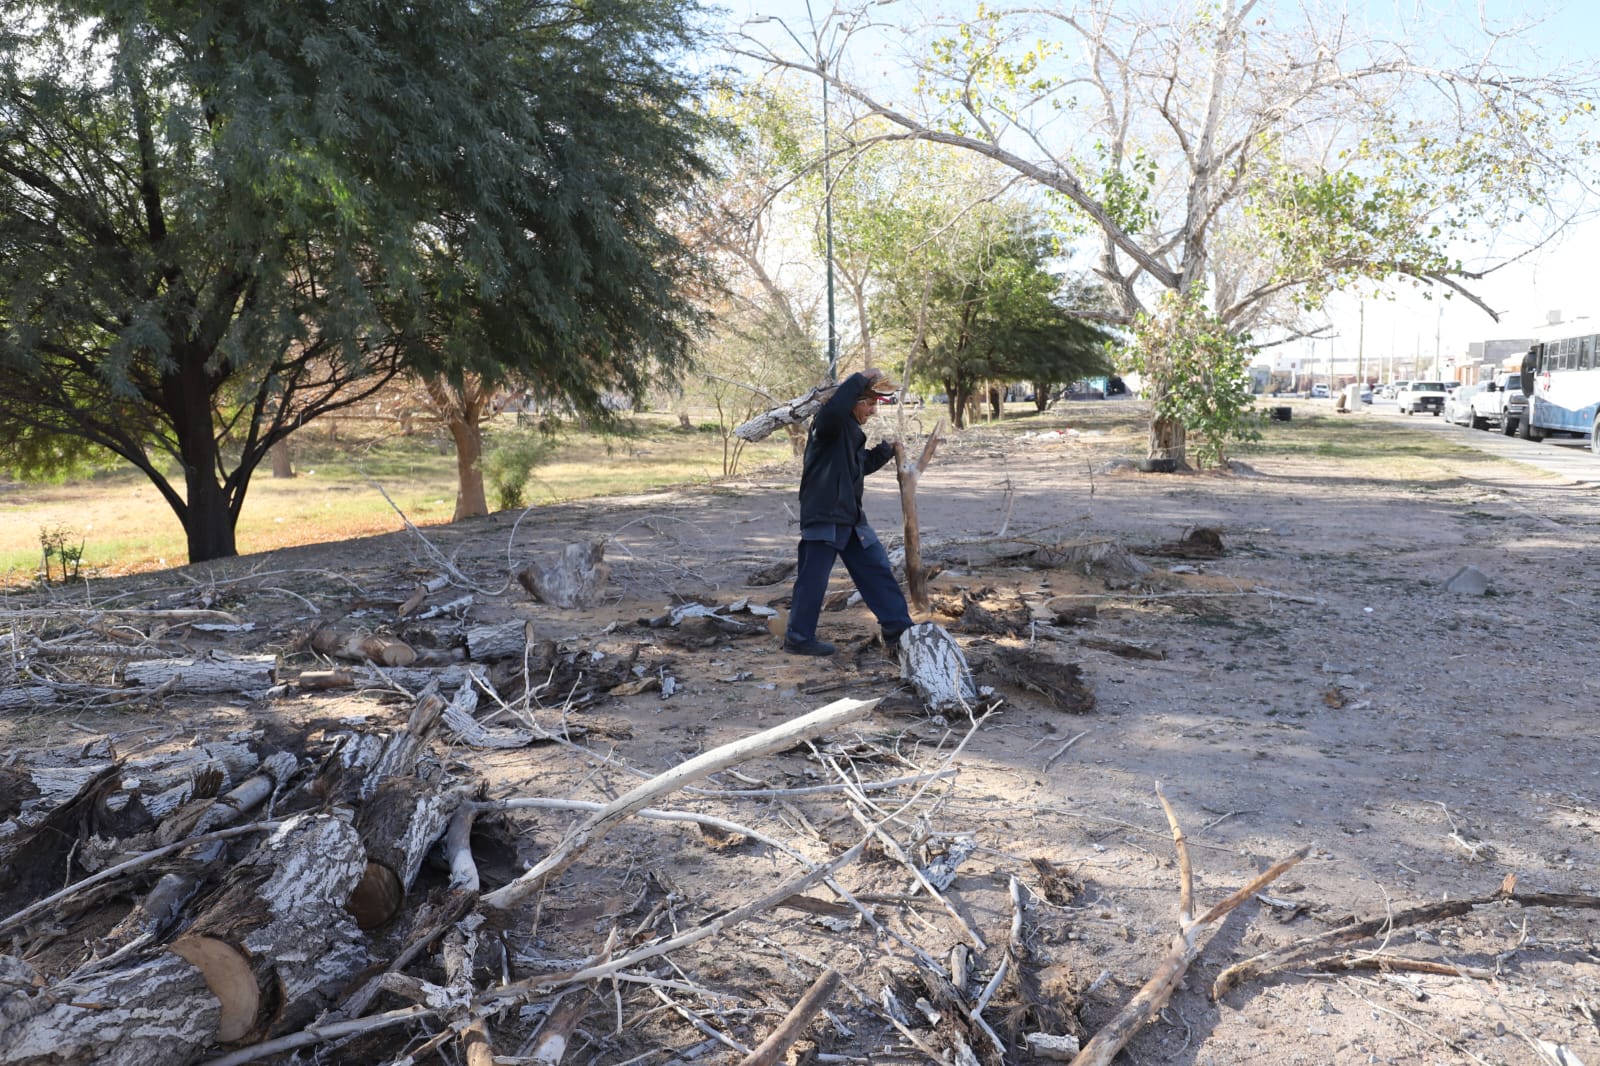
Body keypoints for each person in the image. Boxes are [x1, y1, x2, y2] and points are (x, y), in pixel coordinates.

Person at [783, 368, 915, 656]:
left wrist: (885, 451)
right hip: (825, 516)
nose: (872, 411)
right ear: (852, 400)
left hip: (849, 517)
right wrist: (860, 376)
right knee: (813, 578)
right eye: (868, 403)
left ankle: (898, 627)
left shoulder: (851, 432)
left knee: (875, 567)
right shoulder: (829, 423)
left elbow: (858, 467)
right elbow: (837, 405)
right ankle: (798, 637)